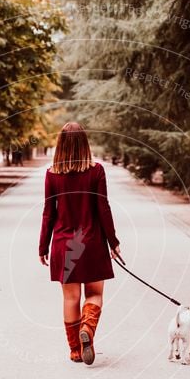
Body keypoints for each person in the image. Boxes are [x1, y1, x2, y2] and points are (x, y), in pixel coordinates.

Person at [38, 121, 122, 365]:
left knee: (70, 298)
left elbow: (48, 212)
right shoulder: (96, 171)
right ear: (85, 143)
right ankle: (88, 327)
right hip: (92, 243)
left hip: (64, 245)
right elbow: (103, 209)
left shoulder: (52, 174)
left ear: (60, 144)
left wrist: (43, 247)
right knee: (94, 294)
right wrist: (113, 242)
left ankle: (75, 349)